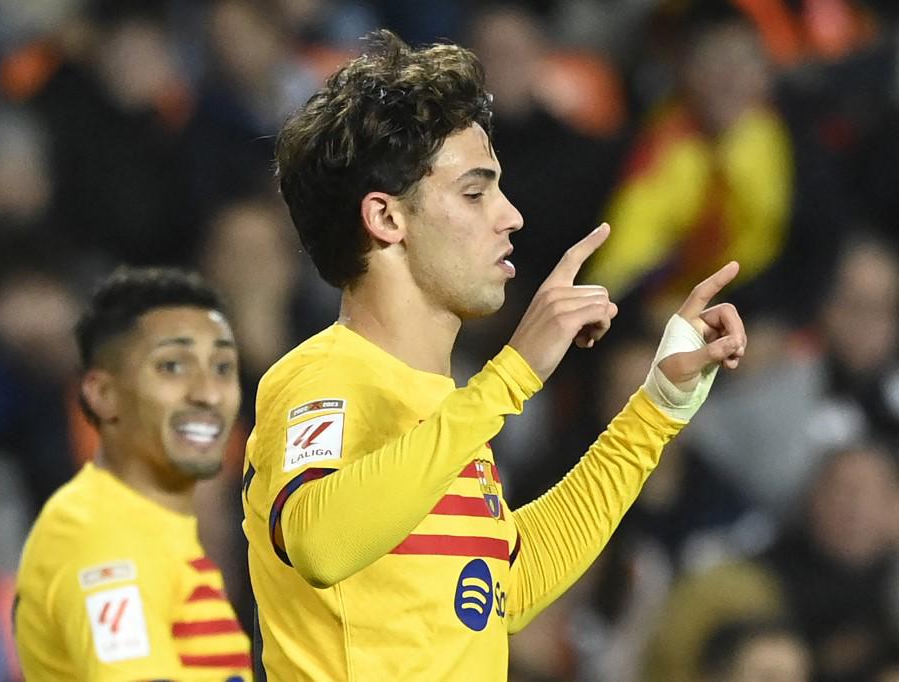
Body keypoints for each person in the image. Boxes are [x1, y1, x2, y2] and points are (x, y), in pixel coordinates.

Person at [241, 30, 747, 679]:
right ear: (387, 219)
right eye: (476, 193)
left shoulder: (447, 410)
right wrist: (513, 375)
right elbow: (318, 540)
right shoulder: (321, 378)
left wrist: (654, 409)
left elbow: (507, 583)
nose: (510, 216)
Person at [14, 266, 252, 681]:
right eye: (172, 367)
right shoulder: (101, 535)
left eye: (222, 367)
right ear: (104, 395)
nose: (208, 393)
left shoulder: (153, 530)